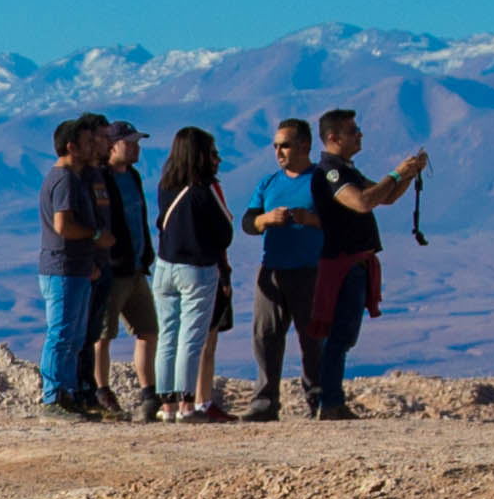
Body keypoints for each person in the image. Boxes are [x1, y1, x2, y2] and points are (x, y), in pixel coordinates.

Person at [310, 110, 428, 411]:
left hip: (356, 262)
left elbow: (384, 197)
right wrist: (397, 174)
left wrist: (407, 174)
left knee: (345, 335)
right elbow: (362, 202)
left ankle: (330, 400)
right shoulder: (331, 172)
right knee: (338, 337)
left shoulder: (348, 170)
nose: (360, 135)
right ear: (334, 138)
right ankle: (330, 402)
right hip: (342, 263)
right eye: (353, 131)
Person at [238, 116, 329, 419]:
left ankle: (319, 400)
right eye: (275, 146)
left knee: (313, 339)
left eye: (285, 145)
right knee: (265, 336)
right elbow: (248, 222)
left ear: (304, 145)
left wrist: (309, 220)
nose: (278, 152)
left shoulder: (322, 180)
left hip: (311, 271)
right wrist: (266, 220)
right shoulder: (268, 183)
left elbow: (342, 222)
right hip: (273, 270)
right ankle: (264, 403)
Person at [33, 115, 118, 417]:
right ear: (71, 146)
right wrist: (95, 236)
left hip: (77, 268)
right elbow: (63, 225)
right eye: (87, 141)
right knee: (61, 333)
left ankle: (67, 393)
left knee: (74, 335)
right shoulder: (65, 179)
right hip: (63, 267)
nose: (94, 146)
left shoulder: (76, 177)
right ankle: (53, 396)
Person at [149, 125, 233, 421]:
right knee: (191, 338)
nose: (216, 159)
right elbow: (225, 231)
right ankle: (187, 404)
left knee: (167, 336)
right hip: (196, 271)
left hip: (163, 268)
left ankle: (167, 404)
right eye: (212, 153)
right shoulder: (205, 189)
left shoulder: (165, 186)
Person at [94, 122, 161, 412]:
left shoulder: (132, 176)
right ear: (112, 145)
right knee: (103, 335)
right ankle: (101, 391)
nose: (136, 148)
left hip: (136, 268)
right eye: (129, 143)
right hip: (112, 270)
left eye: (137, 142)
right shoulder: (100, 180)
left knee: (148, 331)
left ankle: (149, 394)